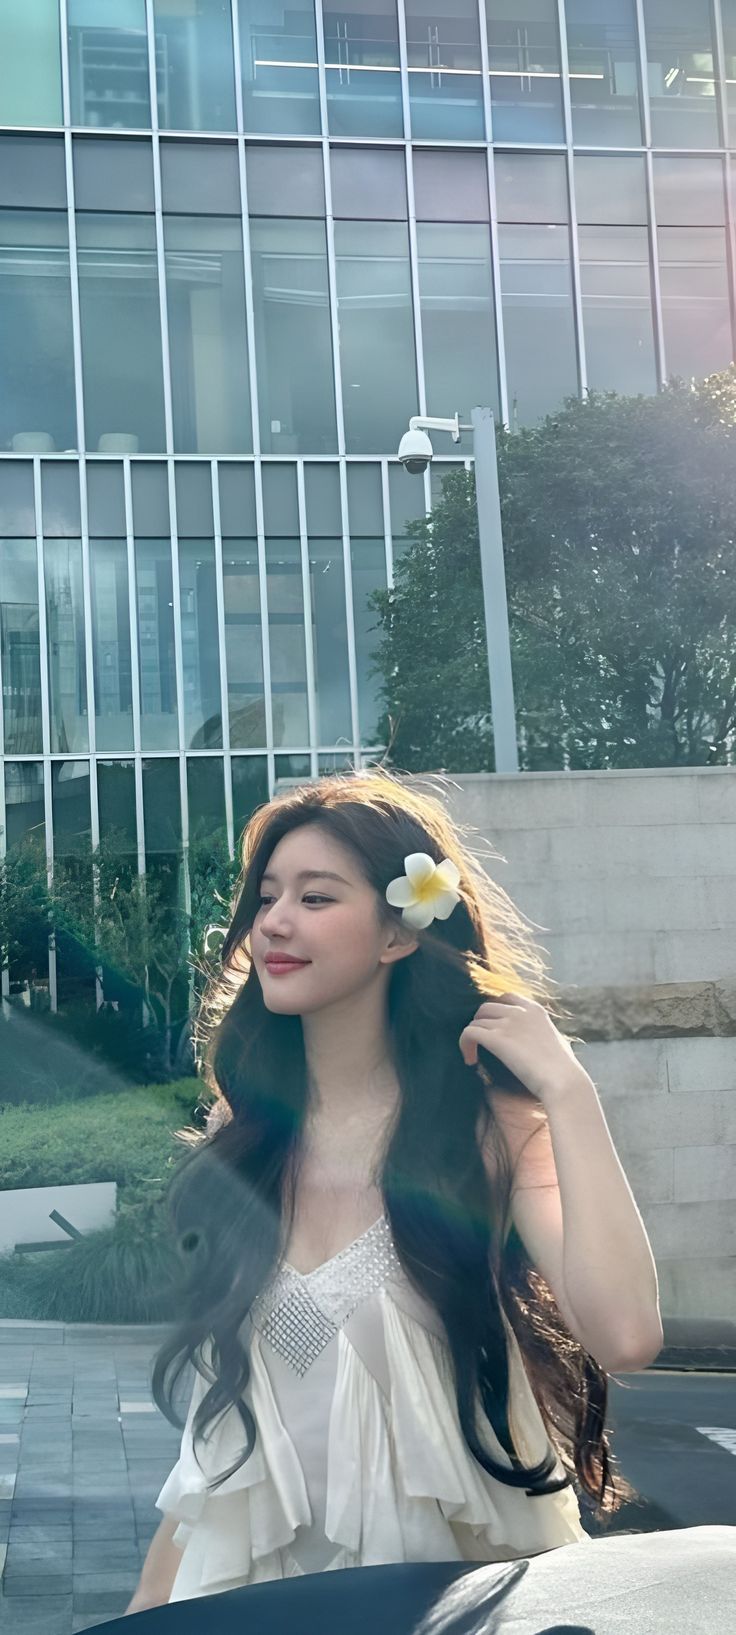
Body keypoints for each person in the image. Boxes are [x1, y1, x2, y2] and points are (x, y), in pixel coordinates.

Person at [124, 768, 663, 1614]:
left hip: (449, 1604)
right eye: (267, 895)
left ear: (398, 935)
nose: (274, 921)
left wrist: (568, 1090)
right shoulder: (247, 1144)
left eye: (316, 896)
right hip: (266, 1604)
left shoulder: (484, 1131)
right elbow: (218, 1460)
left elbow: (625, 1333)